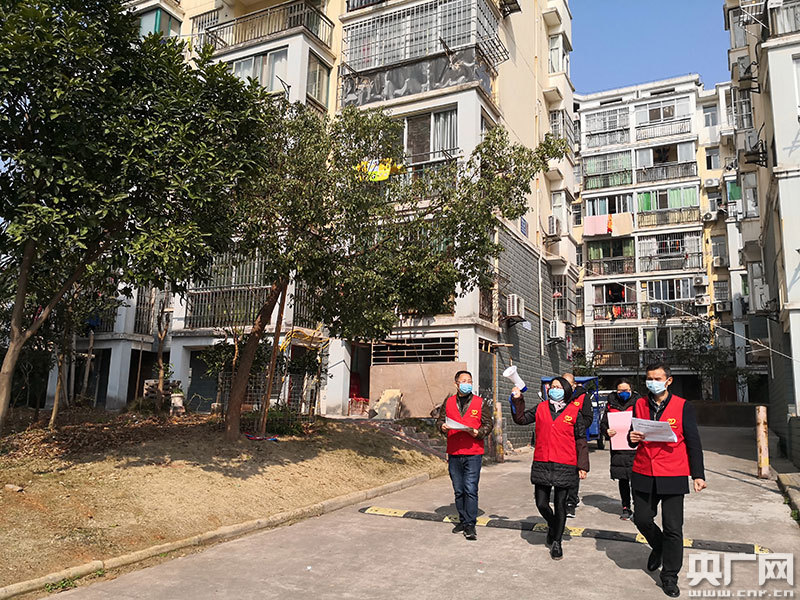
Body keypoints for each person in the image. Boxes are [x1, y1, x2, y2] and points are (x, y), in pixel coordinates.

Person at [628, 363, 706, 598]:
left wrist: (698, 474)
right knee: (642, 518)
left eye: (657, 378)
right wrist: (632, 438)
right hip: (644, 470)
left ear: (668, 381)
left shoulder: (683, 406)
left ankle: (670, 576)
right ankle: (659, 546)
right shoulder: (639, 404)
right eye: (649, 379)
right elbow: (632, 436)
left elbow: (693, 441)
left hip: (672, 472)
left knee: (673, 528)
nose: (653, 383)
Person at [510, 377, 589, 560]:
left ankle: (557, 542)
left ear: (566, 390)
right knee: (541, 503)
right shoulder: (541, 408)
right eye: (552, 386)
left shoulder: (574, 411)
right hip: (543, 462)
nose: (554, 389)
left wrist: (583, 465)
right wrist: (517, 400)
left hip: (565, 463)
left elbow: (580, 440)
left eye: (559, 387)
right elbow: (521, 419)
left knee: (560, 504)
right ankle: (554, 526)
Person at [435, 370, 494, 541]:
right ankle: (462, 519)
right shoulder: (449, 402)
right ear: (456, 384)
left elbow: (488, 424)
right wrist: (442, 427)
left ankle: (470, 524)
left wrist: (478, 432)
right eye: (463, 381)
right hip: (454, 451)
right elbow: (440, 420)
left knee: (470, 488)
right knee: (459, 489)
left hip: (473, 452)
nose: (467, 384)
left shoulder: (480, 403)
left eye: (469, 381)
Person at [600, 377, 640, 520]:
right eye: (620, 390)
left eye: (626, 390)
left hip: (635, 447)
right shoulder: (611, 403)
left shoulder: (639, 402)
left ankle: (639, 507)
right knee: (623, 479)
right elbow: (603, 423)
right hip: (618, 448)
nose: (623, 393)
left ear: (631, 390)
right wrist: (606, 431)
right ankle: (626, 507)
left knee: (637, 480)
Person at [561, 372, 593, 518]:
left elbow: (588, 418)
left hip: (575, 439)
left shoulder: (583, 397)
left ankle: (570, 502)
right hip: (560, 440)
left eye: (568, 384)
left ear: (574, 385)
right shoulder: (557, 398)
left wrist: (574, 426)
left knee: (573, 471)